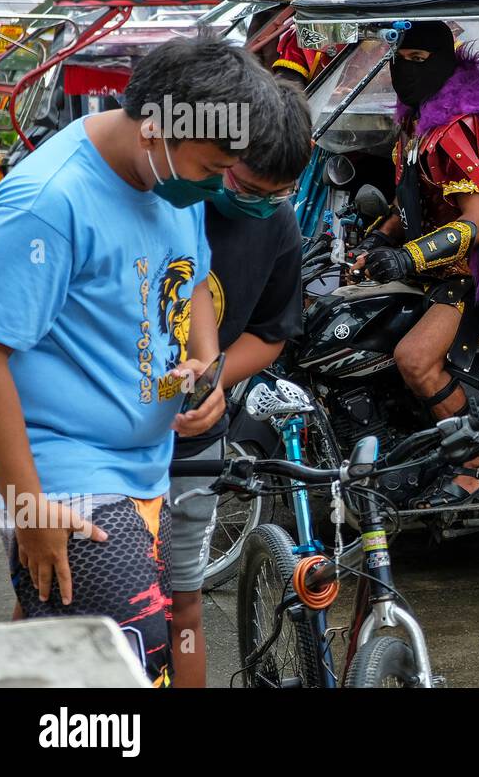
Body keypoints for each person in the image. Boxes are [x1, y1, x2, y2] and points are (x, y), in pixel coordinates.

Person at [0, 37, 287, 684]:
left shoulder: (169, 182)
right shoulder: (48, 203)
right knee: (134, 652)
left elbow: (192, 282)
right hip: (66, 475)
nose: (215, 188)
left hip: (146, 468)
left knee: (68, 665)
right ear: (156, 127)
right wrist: (27, 507)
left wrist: (207, 366)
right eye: (210, 171)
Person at [168, 83, 312, 687]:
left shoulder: (279, 227)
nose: (260, 202)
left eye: (277, 194)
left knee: (183, 600)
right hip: (109, 436)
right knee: (81, 601)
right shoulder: (171, 196)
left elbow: (272, 333)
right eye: (246, 187)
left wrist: (215, 377)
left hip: (197, 435)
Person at [351, 21, 479, 508]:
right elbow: (410, 205)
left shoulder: (453, 130)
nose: (404, 68)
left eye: (419, 60)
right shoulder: (415, 124)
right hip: (425, 269)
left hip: (467, 272)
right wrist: (374, 239)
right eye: (399, 57)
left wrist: (408, 256)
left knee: (414, 358)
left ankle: (474, 465)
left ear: (445, 63)